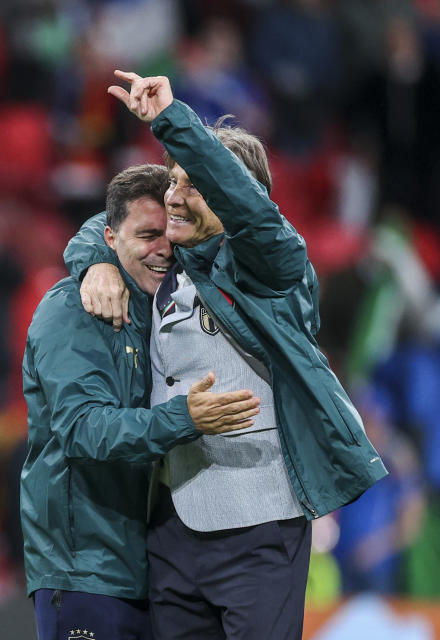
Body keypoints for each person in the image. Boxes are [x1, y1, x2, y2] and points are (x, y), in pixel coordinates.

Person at [63, 71, 388, 639]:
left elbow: (250, 213)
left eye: (194, 183)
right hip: (173, 525)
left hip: (259, 524)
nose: (174, 196)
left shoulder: (274, 269)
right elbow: (110, 224)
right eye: (173, 181)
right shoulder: (163, 266)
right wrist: (93, 256)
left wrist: (171, 121)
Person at [21, 164, 263, 640]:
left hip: (148, 570)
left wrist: (98, 256)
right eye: (147, 235)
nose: (163, 250)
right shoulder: (76, 309)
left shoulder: (159, 309)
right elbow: (83, 429)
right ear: (111, 238)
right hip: (85, 569)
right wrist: (185, 418)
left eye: (170, 234)